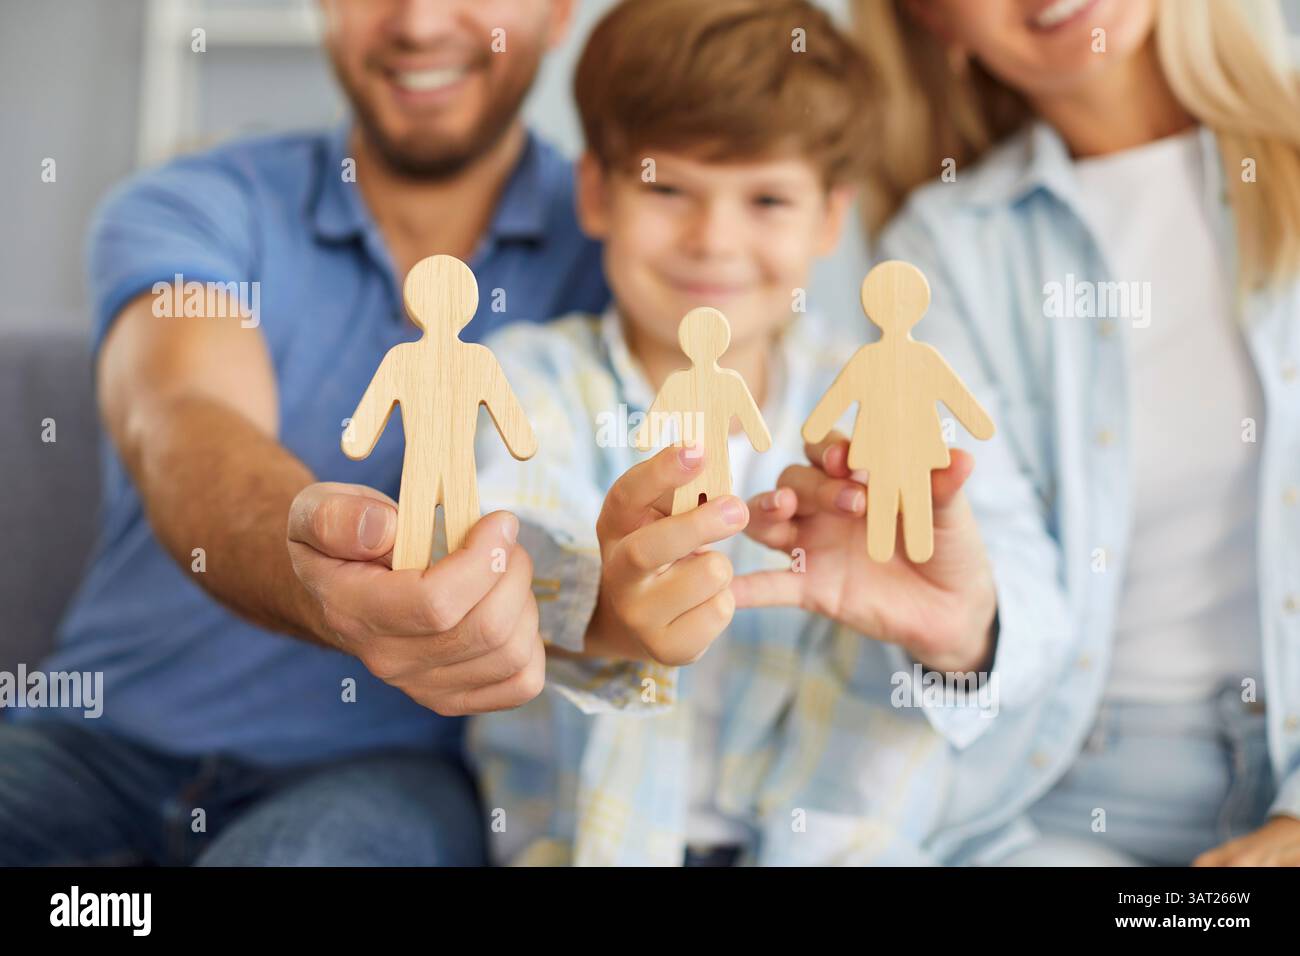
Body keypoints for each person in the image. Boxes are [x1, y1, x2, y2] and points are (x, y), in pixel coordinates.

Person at [0, 0, 608, 867]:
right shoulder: (194, 203)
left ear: (557, 13)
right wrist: (317, 556)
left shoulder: (628, 251)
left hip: (388, 774)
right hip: (90, 740)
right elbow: (182, 419)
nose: (421, 20)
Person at [463, 0, 1005, 866]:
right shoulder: (532, 382)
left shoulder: (869, 417)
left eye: (767, 199)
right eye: (667, 188)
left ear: (831, 220)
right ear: (596, 192)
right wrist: (607, 606)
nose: (713, 240)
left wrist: (962, 638)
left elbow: (986, 652)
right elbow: (505, 544)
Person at [851, 0, 1300, 865]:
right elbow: (999, 546)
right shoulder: (944, 247)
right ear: (934, 19)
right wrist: (964, 624)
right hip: (1072, 798)